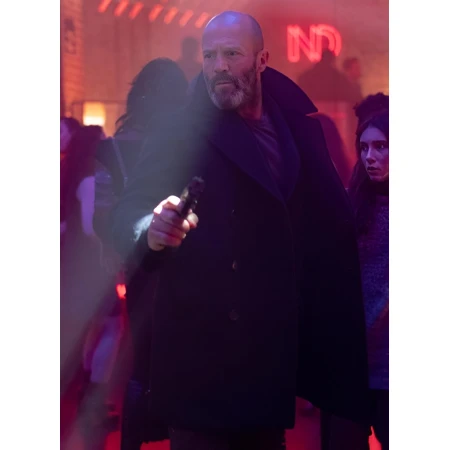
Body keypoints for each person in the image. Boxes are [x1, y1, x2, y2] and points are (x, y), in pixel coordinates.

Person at [111, 11, 369, 450]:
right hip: (201, 356)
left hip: (268, 354)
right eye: (210, 56)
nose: (219, 67)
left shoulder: (295, 126)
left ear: (262, 60)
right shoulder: (180, 130)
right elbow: (128, 212)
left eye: (232, 54)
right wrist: (150, 230)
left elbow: (318, 222)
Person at [93, 57, 188, 449]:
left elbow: (101, 215)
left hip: (136, 267)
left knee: (141, 363)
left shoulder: (112, 150)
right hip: (182, 264)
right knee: (185, 359)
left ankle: (132, 443)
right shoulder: (186, 145)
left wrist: (117, 248)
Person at [60, 125, 124, 450]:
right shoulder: (89, 181)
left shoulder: (74, 177)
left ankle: (86, 387)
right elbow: (90, 227)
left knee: (94, 327)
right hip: (93, 266)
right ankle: (93, 391)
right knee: (110, 326)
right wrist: (110, 250)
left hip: (78, 266)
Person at [348, 93, 389, 449]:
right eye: (363, 148)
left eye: (381, 146)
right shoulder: (354, 204)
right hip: (355, 357)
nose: (370, 157)